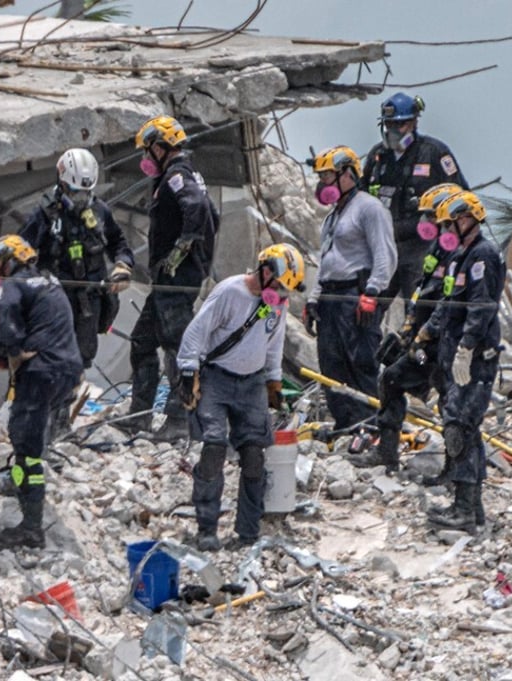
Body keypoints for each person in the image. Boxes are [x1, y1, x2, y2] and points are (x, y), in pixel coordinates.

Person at [177, 244, 303, 551]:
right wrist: (188, 370)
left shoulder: (275, 303)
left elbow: (274, 340)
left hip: (252, 384)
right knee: (214, 447)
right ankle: (207, 527)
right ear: (265, 270)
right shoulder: (229, 292)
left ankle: (248, 532)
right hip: (217, 379)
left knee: (254, 456)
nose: (281, 296)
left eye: (286, 291)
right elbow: (196, 332)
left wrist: (273, 380)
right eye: (279, 286)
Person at [351, 182, 463, 472]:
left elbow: (448, 304)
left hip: (445, 344)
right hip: (424, 342)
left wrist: (424, 336)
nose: (424, 223)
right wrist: (407, 332)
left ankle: (456, 471)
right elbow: (422, 295)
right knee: (391, 378)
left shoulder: (464, 255)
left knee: (449, 400)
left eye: (430, 216)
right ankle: (386, 454)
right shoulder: (436, 251)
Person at [412, 191, 504, 532]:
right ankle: (472, 510)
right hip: (454, 354)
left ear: (467, 220)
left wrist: (467, 346)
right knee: (463, 427)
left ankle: (464, 510)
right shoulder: (458, 256)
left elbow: (481, 307)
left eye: (450, 223)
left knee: (460, 429)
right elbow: (449, 302)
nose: (446, 229)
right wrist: (426, 331)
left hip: (474, 359)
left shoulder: (483, 256)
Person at [0, 235, 82, 549]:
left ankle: (30, 528)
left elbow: (7, 324)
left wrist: (10, 348)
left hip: (42, 371)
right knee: (26, 430)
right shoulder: (50, 280)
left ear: (7, 261)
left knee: (25, 444)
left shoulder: (14, 285)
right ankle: (22, 484)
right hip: (68, 368)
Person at [128, 115, 219, 440]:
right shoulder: (185, 173)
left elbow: (196, 208)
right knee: (142, 342)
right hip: (168, 281)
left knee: (178, 349)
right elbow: (212, 213)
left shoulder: (178, 175)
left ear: (160, 146)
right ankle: (139, 415)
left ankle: (180, 420)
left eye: (147, 149)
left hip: (176, 280)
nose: (144, 157)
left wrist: (182, 248)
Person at [302, 146, 397, 432]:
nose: (323, 183)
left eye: (328, 175)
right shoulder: (332, 217)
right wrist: (313, 299)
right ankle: (345, 424)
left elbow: (385, 255)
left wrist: (373, 292)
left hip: (355, 296)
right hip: (331, 297)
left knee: (360, 361)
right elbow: (326, 261)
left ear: (348, 174)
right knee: (331, 363)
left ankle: (368, 425)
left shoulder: (369, 208)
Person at [19, 147, 134, 369]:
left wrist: (122, 266)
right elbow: (20, 251)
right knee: (50, 358)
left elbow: (118, 242)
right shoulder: (45, 214)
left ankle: (71, 398)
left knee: (81, 359)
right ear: (61, 184)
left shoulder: (100, 211)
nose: (80, 198)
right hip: (55, 299)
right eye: (74, 191)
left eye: (85, 191)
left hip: (89, 301)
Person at [361, 92, 468, 307]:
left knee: (419, 311)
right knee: (368, 312)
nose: (392, 131)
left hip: (422, 248)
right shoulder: (378, 156)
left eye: (398, 125)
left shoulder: (434, 153)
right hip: (384, 247)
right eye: (388, 124)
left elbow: (461, 198)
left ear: (413, 122)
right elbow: (360, 197)